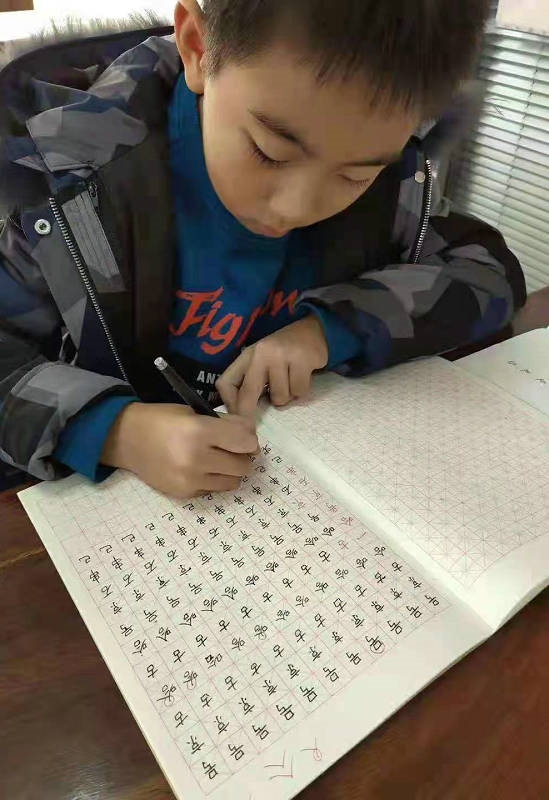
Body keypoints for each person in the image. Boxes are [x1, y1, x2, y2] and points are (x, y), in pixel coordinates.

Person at [0, 0, 526, 497]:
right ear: (198, 47)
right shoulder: (67, 181)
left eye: (354, 176)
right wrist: (112, 431)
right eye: (270, 152)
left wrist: (333, 328)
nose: (296, 208)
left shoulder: (397, 178)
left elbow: (487, 272)